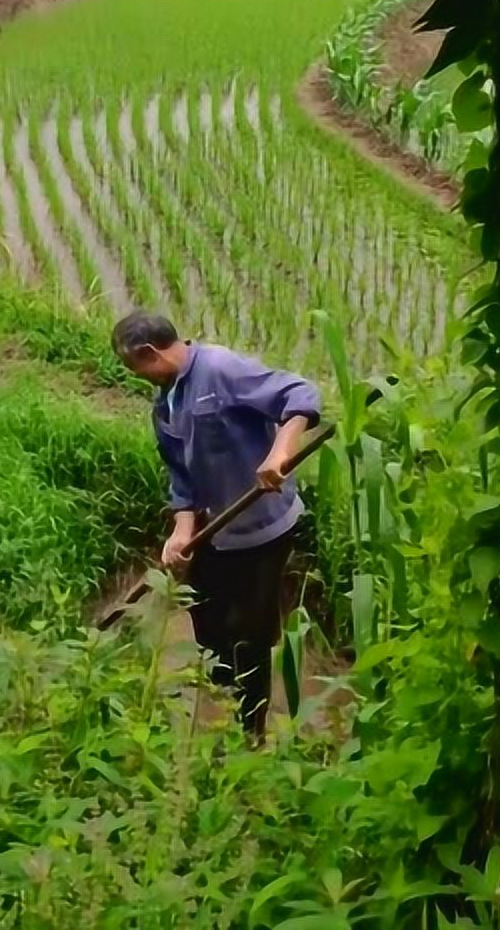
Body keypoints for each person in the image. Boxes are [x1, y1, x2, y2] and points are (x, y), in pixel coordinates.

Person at [111, 311, 321, 741]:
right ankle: (221, 707)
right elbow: (181, 476)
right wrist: (181, 529)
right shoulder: (165, 403)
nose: (139, 377)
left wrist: (280, 452)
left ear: (149, 354)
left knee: (250, 635)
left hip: (261, 530)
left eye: (135, 369)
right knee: (206, 624)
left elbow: (299, 393)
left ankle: (251, 731)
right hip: (213, 530)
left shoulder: (220, 368)